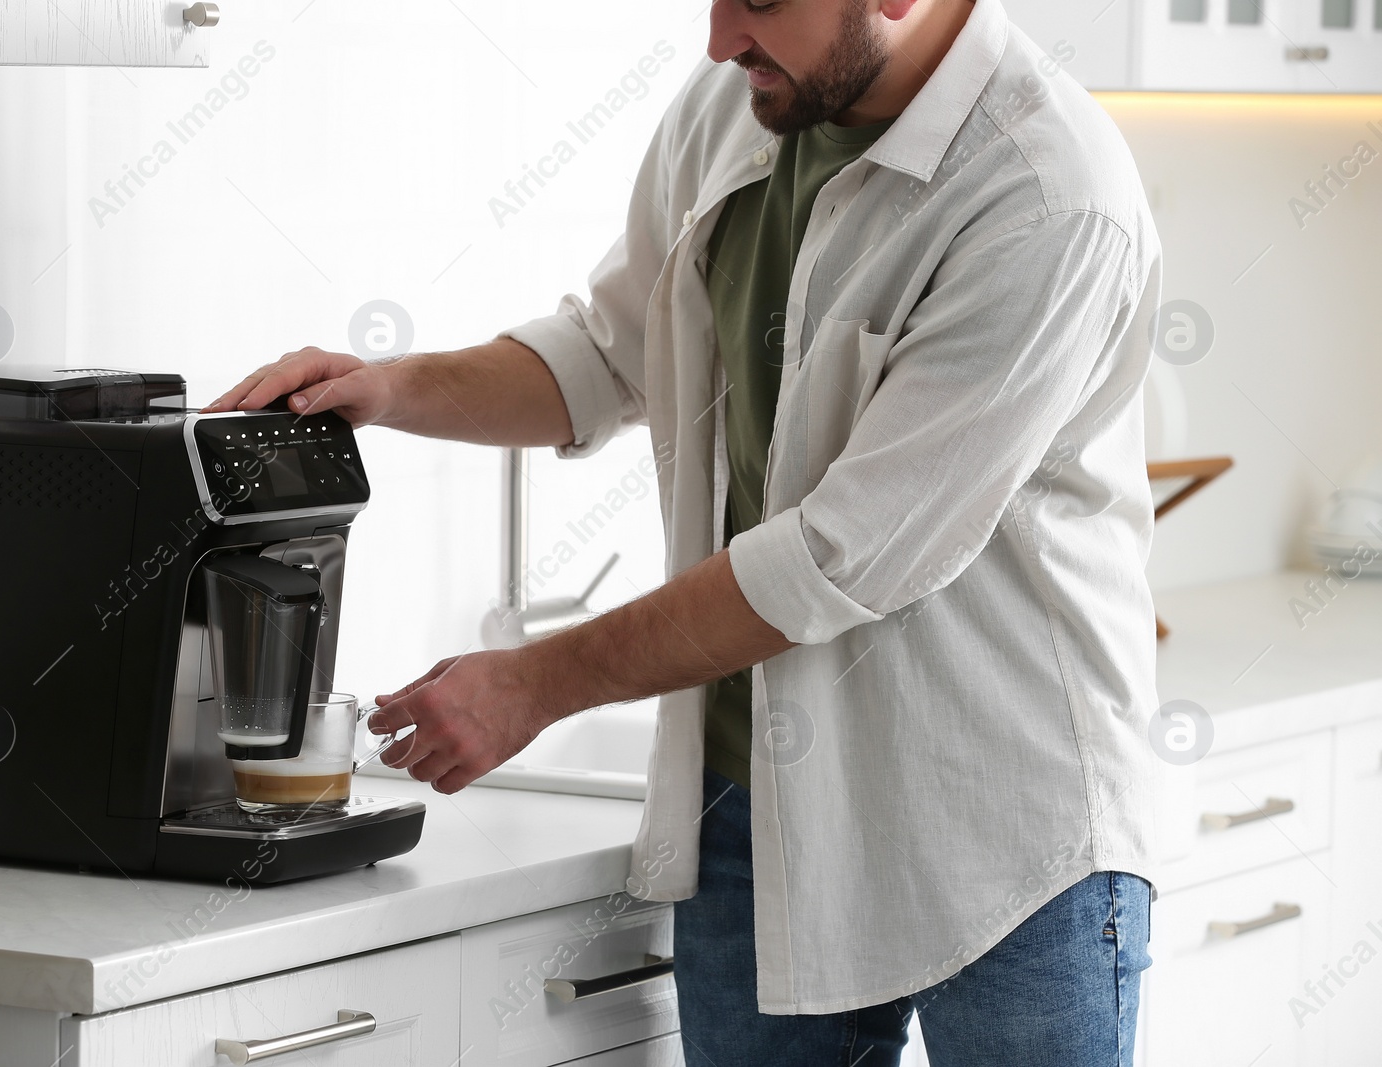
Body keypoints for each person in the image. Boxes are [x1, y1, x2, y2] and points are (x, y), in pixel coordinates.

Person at [205, 0, 1161, 1062]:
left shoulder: (1044, 193)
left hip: (1004, 834)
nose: (717, 39)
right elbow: (608, 354)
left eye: (756, 0)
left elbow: (840, 554)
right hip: (754, 809)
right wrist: (388, 387)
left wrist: (533, 682)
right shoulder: (741, 105)